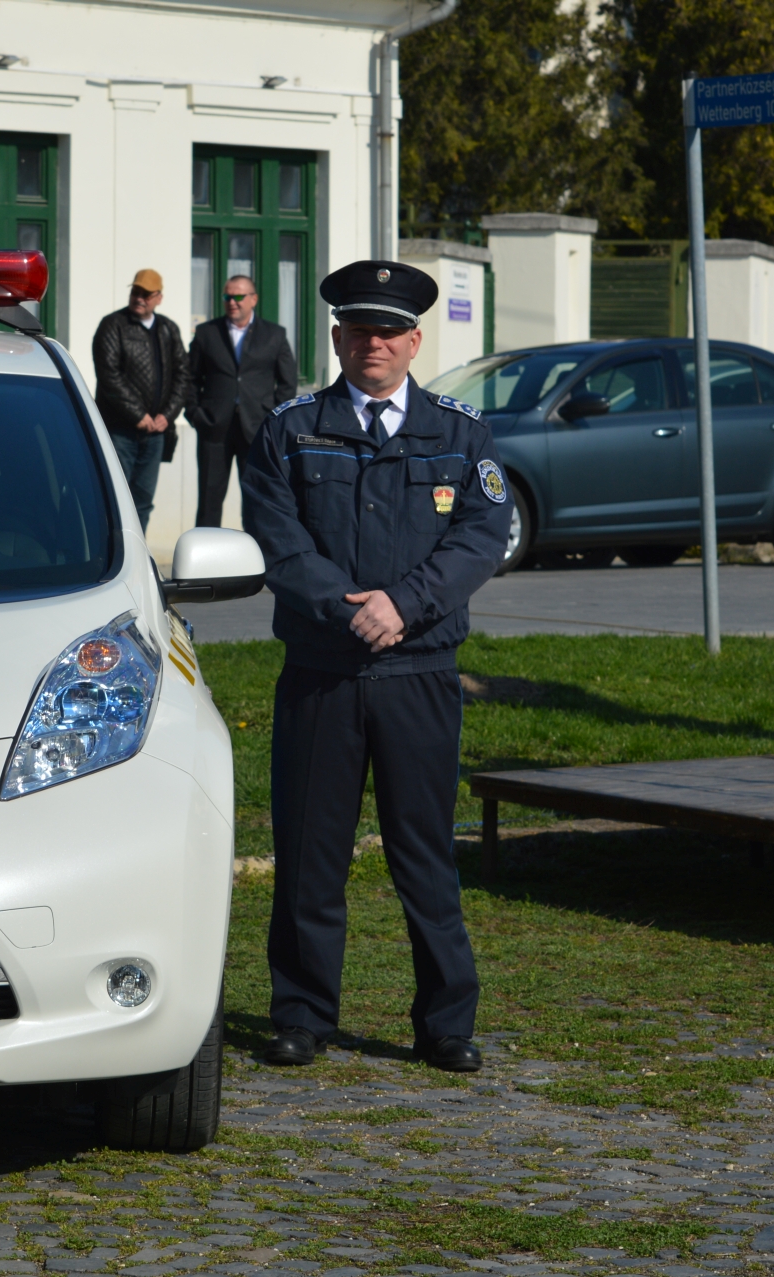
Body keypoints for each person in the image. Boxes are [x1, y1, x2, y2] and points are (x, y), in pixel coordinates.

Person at [239, 260, 511, 1073]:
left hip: (418, 672)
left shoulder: (461, 434)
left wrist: (403, 604)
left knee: (424, 855)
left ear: (415, 340)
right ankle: (302, 1013)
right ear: (337, 337)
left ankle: (445, 1023)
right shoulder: (290, 429)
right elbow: (278, 540)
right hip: (323, 672)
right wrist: (349, 608)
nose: (374, 343)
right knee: (309, 854)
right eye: (360, 329)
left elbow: (479, 538)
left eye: (390, 330)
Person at [187, 275, 298, 527]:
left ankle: (256, 559)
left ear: (253, 299)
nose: (232, 302)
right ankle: (206, 561)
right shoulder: (207, 333)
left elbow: (287, 383)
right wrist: (195, 413)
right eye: (227, 296)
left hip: (257, 430)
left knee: (258, 499)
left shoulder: (275, 335)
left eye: (238, 296)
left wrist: (272, 419)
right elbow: (189, 378)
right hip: (214, 429)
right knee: (209, 500)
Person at [92, 268, 191, 529]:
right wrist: (138, 416)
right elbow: (109, 376)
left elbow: (183, 375)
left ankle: (137, 554)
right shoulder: (113, 325)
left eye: (146, 294)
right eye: (136, 291)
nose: (139, 298)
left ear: (159, 298)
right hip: (119, 431)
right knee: (113, 499)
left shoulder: (168, 329)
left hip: (155, 434)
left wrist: (166, 417)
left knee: (143, 501)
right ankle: (111, 559)